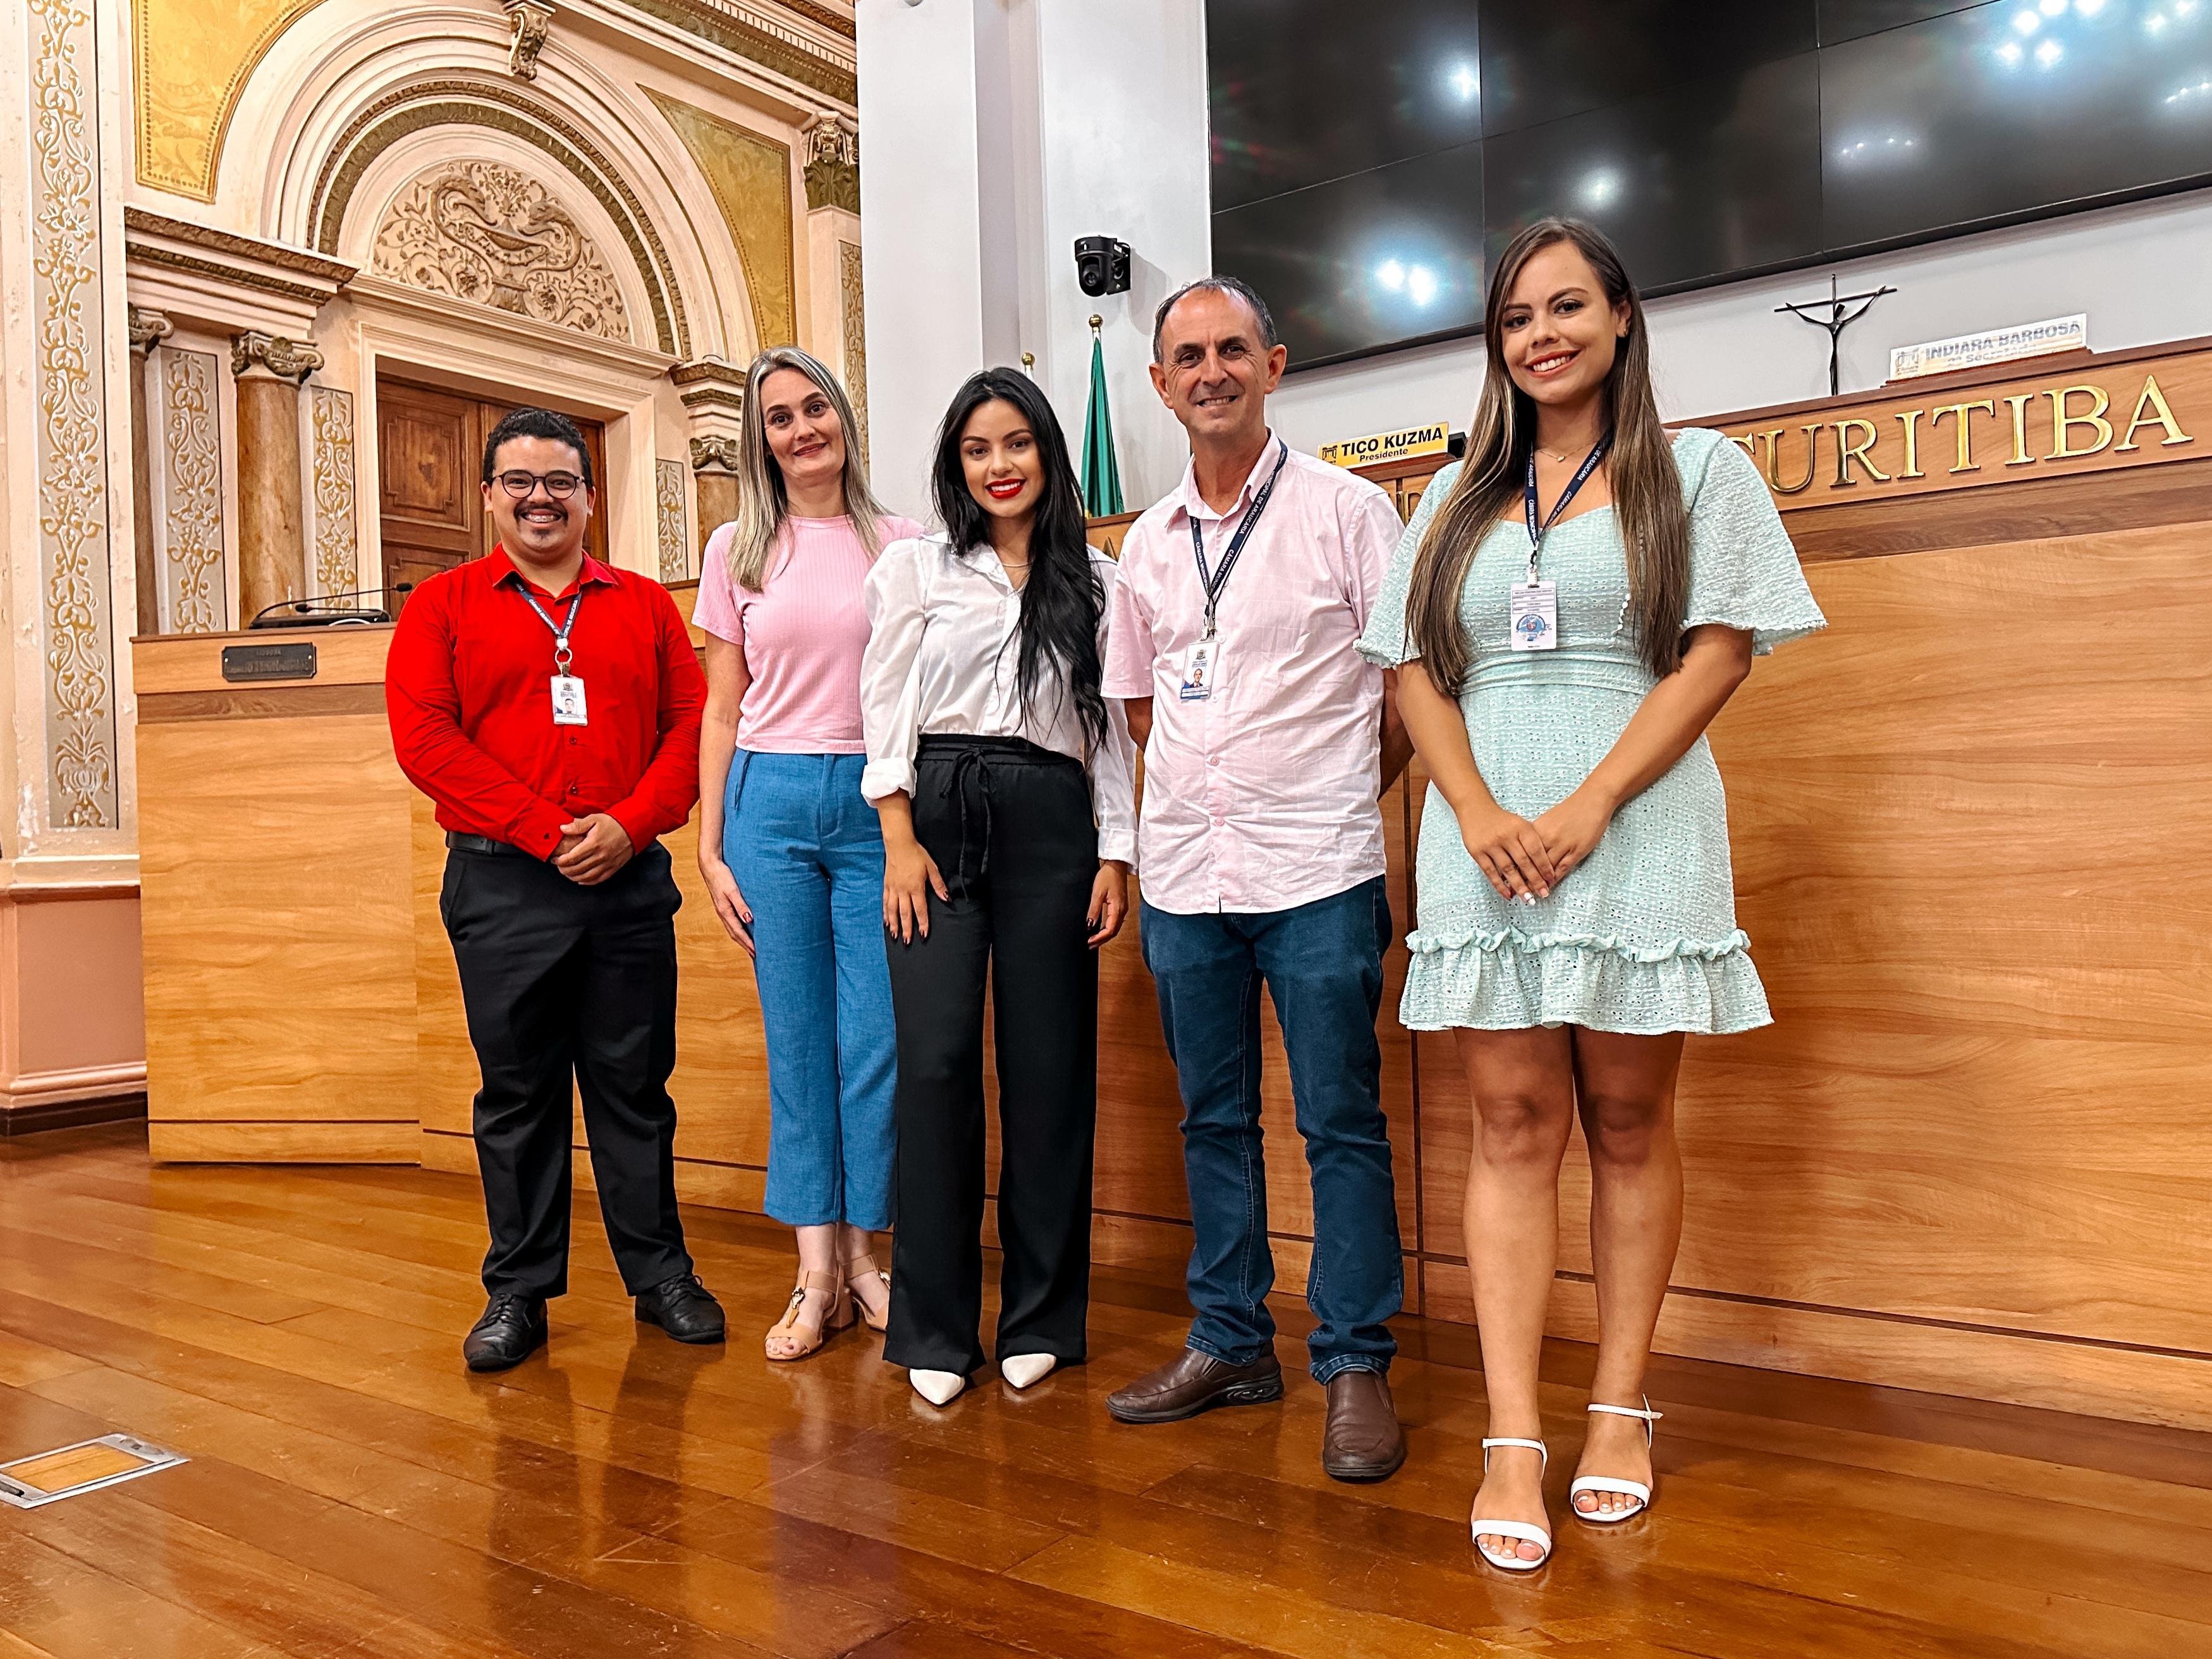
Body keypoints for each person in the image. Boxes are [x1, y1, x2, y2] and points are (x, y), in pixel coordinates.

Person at [1357, 219, 1825, 1571]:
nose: (1541, 334)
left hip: (1633, 817)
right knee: (1508, 1121)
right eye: (1516, 317)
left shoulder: (1701, 471)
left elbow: (1715, 656)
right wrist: (1483, 809)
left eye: (1567, 306)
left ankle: (1617, 1407)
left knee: (1628, 1116)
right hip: (1484, 825)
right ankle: (1514, 1431)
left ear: (1623, 318)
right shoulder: (1450, 499)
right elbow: (1409, 670)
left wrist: (1586, 804)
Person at [1101, 276, 1415, 1482]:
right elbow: (1138, 705)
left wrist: (1331, 786)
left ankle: (1353, 1359)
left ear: (1275, 365)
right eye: (1190, 354)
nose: (1213, 370)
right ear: (1161, 381)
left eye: (1235, 349)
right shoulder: (1143, 544)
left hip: (1319, 866)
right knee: (1211, 1120)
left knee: (1339, 1120)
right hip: (1187, 874)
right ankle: (1232, 1341)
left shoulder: (1346, 513)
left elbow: (1404, 691)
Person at [387, 406, 724, 1373]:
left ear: (588, 494)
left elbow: (690, 726)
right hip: (502, 889)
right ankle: (519, 1293)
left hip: (626, 887)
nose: (541, 499)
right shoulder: (441, 607)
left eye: (560, 482)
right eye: (520, 482)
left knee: (634, 1090)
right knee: (517, 1093)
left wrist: (628, 827)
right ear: (489, 495)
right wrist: (547, 831)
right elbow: (427, 743)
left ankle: (660, 1277)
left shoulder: (647, 606)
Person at [860, 368, 1137, 1407]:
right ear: (956, 465)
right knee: (933, 1066)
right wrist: (895, 835)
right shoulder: (913, 570)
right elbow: (880, 708)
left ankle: (1041, 1316)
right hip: (933, 817)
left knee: (1050, 1071)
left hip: (1054, 824)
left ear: (1046, 455)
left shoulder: (1097, 583)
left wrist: (1117, 854)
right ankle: (933, 1325)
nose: (999, 466)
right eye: (978, 450)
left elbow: (1107, 733)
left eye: (1016, 444)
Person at [694, 348, 922, 1362]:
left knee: (874, 1044)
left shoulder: (905, 543)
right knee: (801, 1049)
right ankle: (815, 1272)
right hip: (770, 805)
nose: (800, 429)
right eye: (778, 417)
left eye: (814, 408)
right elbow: (721, 702)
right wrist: (707, 846)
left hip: (877, 807)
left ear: (843, 420)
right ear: (761, 439)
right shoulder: (737, 547)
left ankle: (870, 1260)